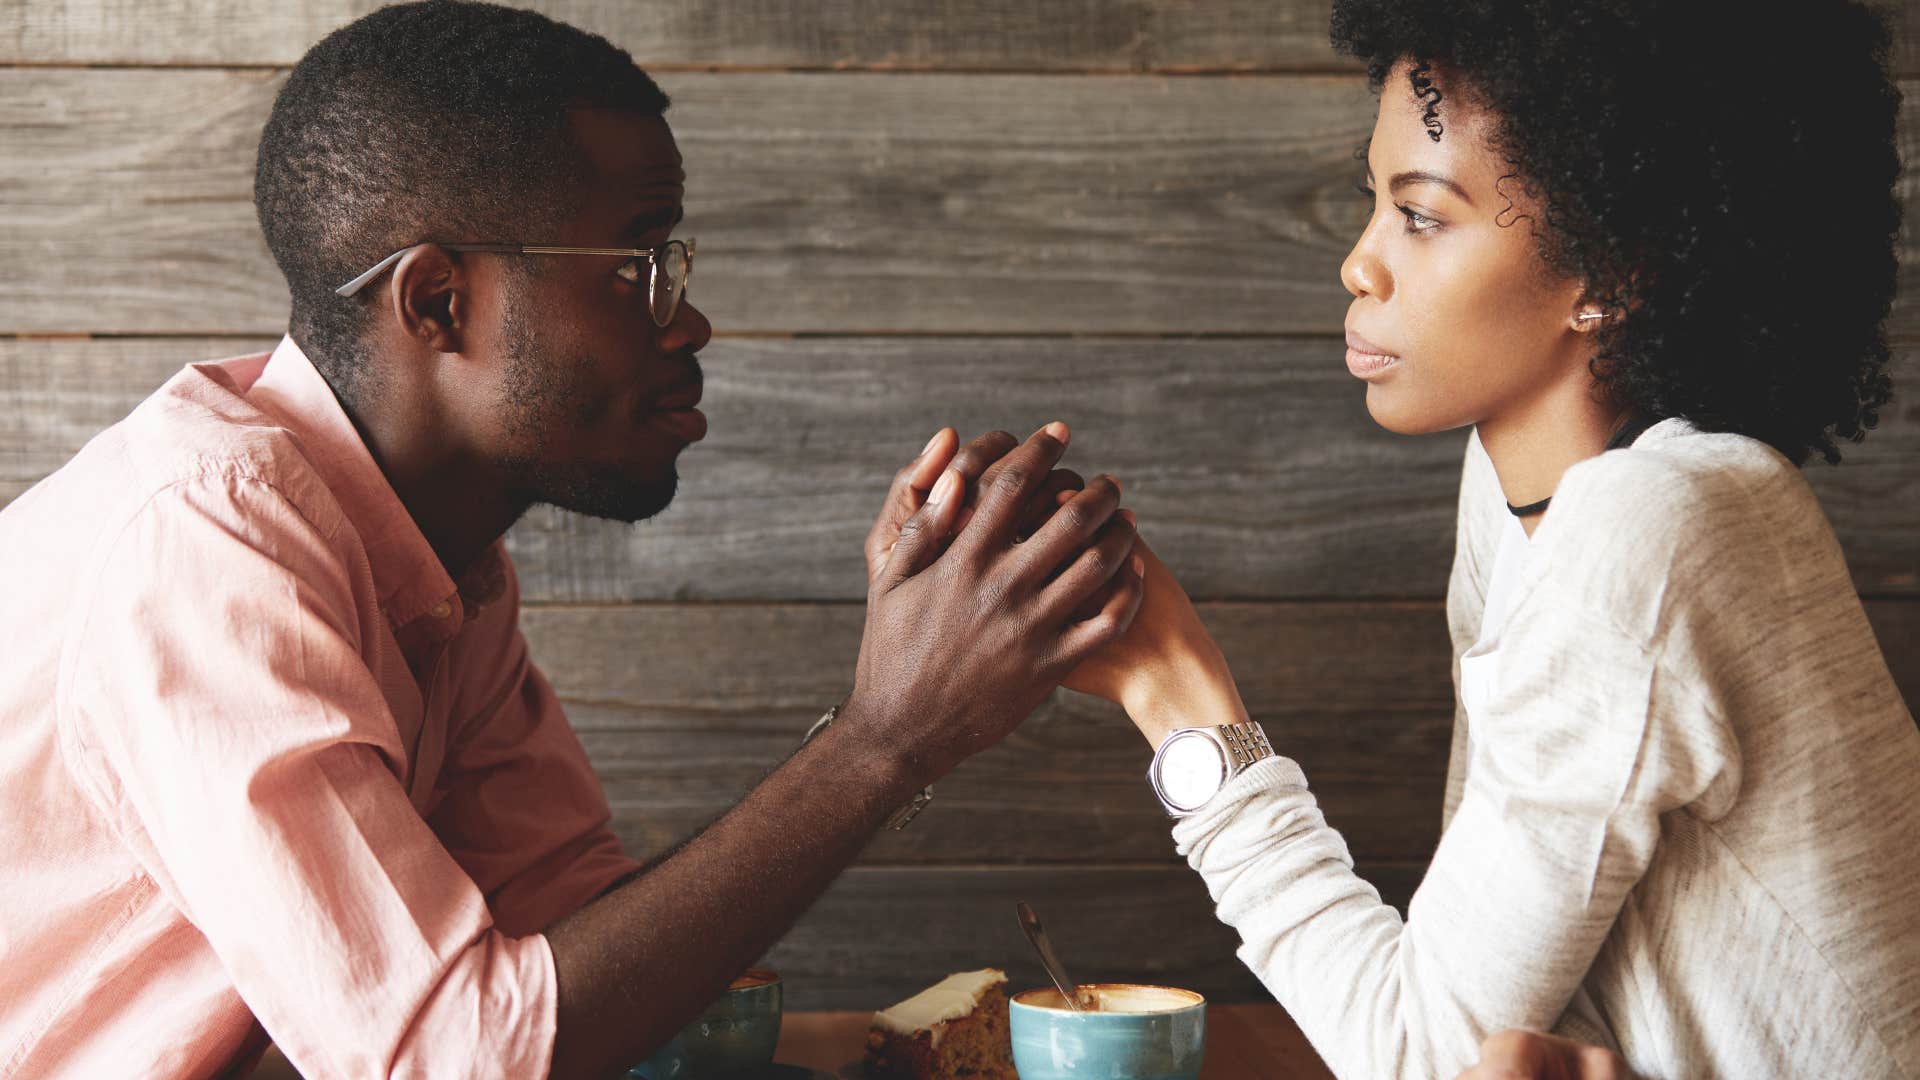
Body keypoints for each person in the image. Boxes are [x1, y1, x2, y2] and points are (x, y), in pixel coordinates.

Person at [0, 3, 1145, 1076]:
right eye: (641, 267)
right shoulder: (209, 547)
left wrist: (913, 690)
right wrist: (887, 736)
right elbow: (459, 1054)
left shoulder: (441, 570)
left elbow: (573, 940)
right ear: (438, 302)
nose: (688, 321)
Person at [1065, 0, 1920, 1076]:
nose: (1359, 265)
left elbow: (1422, 1055)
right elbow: (1496, 1023)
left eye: (1421, 218)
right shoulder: (1522, 495)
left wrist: (1177, 697)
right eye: (1374, 202)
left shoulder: (1646, 531)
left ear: (1610, 274)